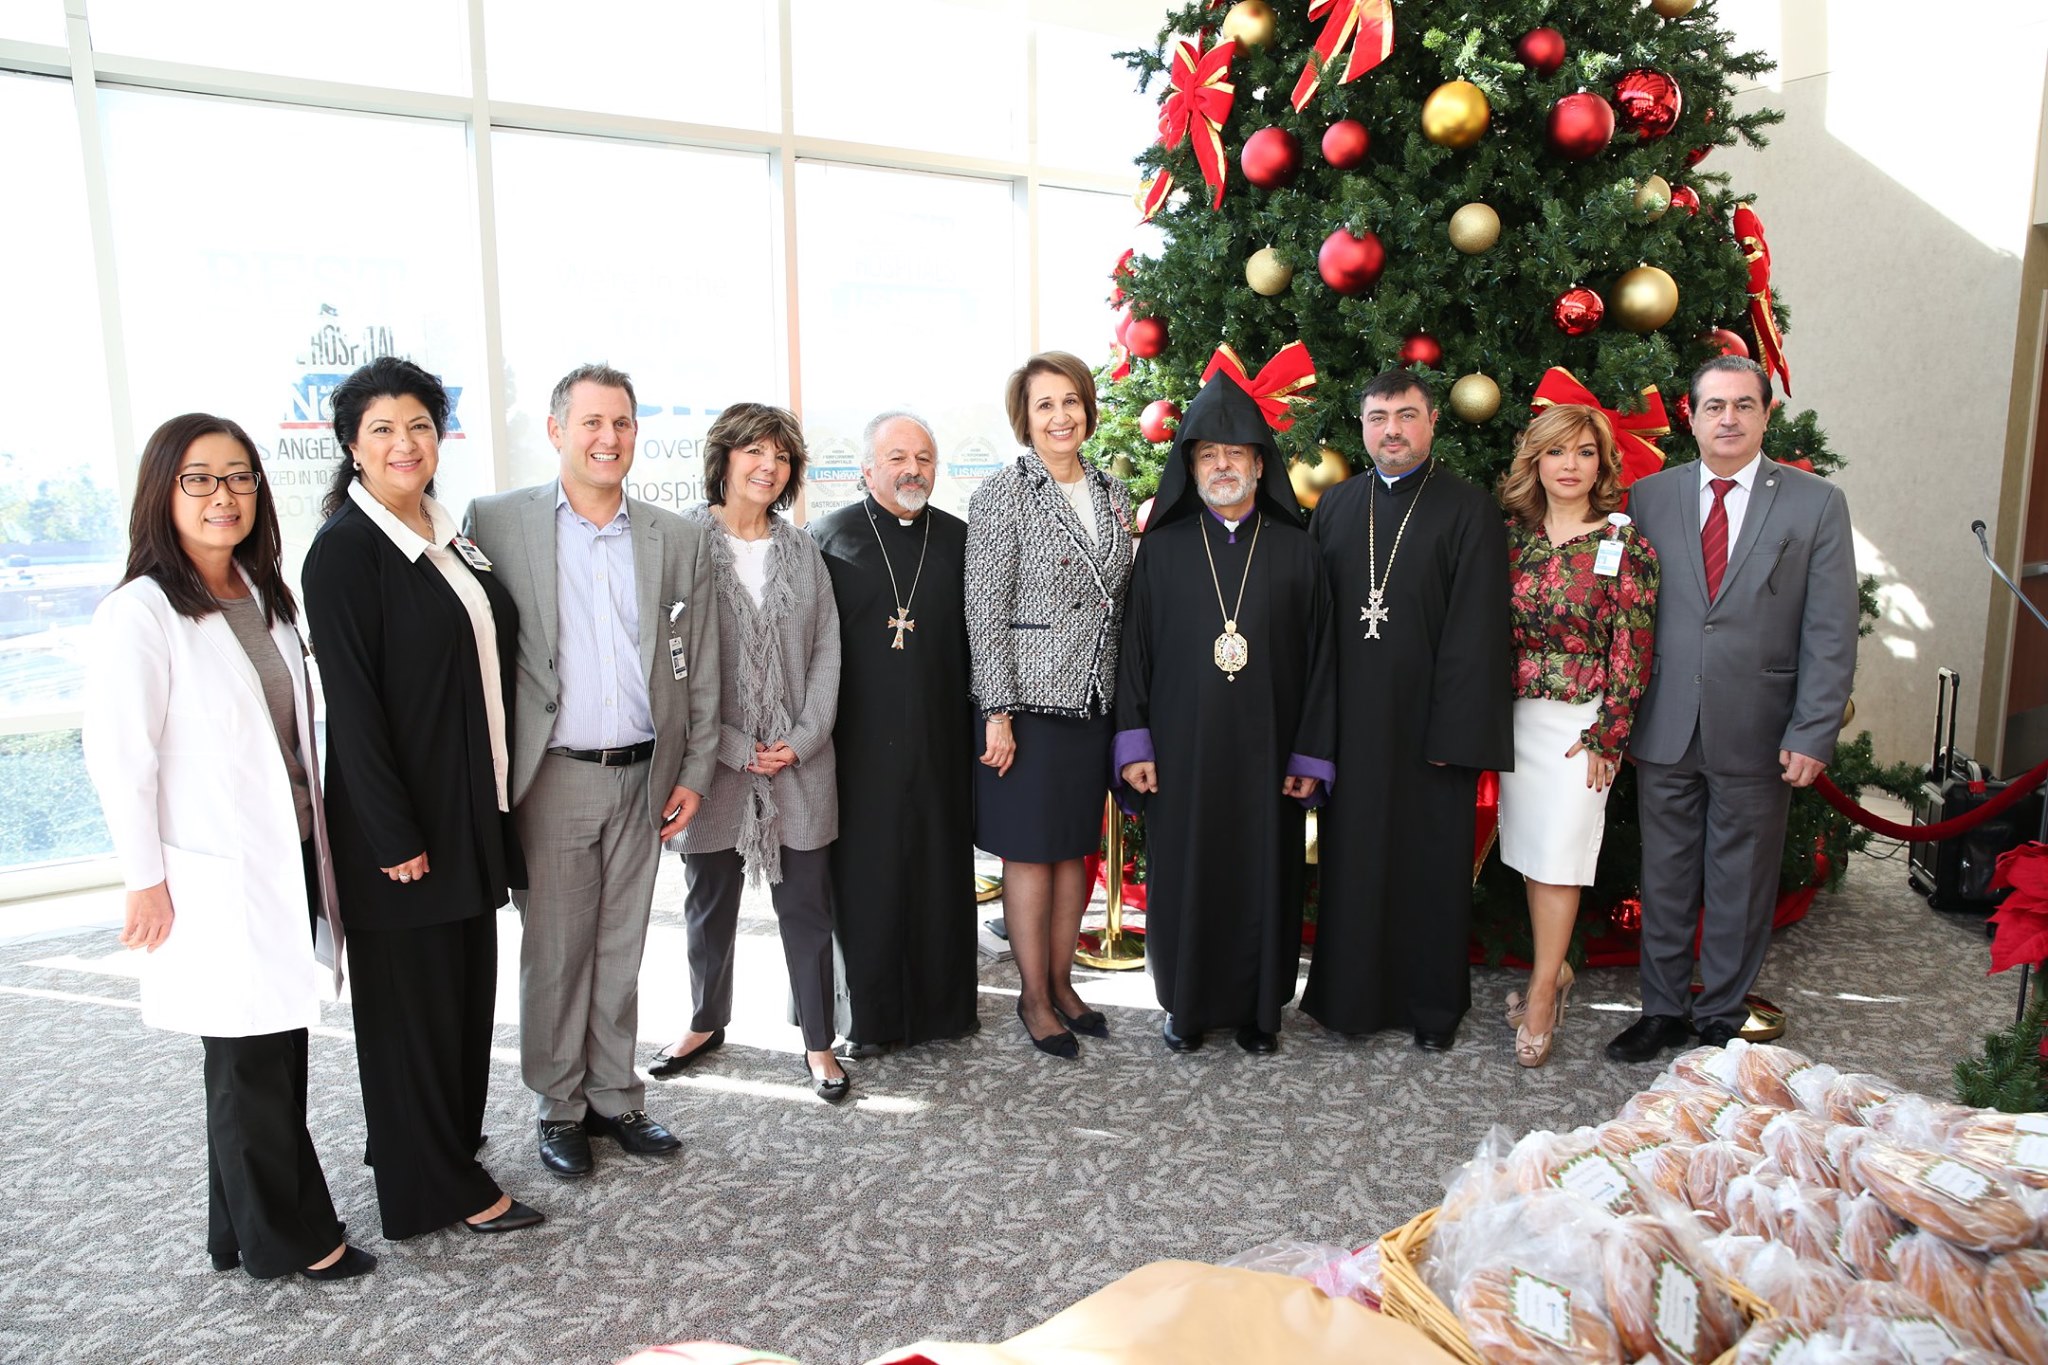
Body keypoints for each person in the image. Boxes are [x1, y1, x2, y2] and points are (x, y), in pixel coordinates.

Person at [82, 413, 372, 1282]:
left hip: (288, 851)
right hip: (213, 868)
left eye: (240, 476)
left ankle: (236, 1227)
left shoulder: (261, 594)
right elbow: (121, 757)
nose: (224, 495)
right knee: (248, 1056)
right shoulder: (141, 612)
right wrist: (144, 878)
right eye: (200, 478)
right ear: (163, 492)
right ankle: (290, 1238)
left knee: (273, 1040)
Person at [301, 356, 542, 1238]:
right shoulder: (345, 552)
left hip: (468, 806)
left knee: (458, 997)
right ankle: (433, 1186)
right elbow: (354, 711)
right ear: (351, 446)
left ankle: (434, 1146)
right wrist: (392, 832)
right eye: (382, 429)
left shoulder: (446, 532)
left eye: (419, 426)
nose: (405, 443)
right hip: (401, 825)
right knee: (411, 1010)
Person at [463, 364, 719, 1179]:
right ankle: (559, 1104)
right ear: (556, 431)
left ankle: (615, 1093)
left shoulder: (674, 537)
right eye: (592, 423)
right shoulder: (496, 522)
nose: (609, 438)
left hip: (647, 773)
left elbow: (699, 662)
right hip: (553, 775)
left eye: (623, 423)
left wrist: (695, 767)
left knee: (621, 943)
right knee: (557, 949)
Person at [1607, 356, 1858, 1061]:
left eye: (1744, 405)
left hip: (1759, 724)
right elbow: (1626, 614)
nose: (1729, 419)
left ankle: (1720, 1011)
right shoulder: (1648, 497)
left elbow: (1831, 629)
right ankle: (1662, 1009)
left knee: (1741, 877)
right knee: (1664, 874)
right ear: (1690, 416)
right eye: (1714, 406)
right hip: (1665, 720)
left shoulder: (1816, 503)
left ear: (1766, 414)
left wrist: (1813, 729)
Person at [1111, 369, 1336, 1055]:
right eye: (1207, 455)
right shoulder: (1162, 551)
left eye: (1235, 453)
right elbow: (1133, 653)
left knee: (1264, 875)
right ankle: (1185, 1005)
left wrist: (1309, 753)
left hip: (1270, 755)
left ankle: (1258, 1012)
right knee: (1187, 874)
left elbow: (1324, 661)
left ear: (1260, 464)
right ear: (1191, 467)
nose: (1221, 466)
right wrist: (1134, 744)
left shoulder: (1298, 550)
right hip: (1182, 753)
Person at [1299, 370, 1512, 1052]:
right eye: (1378, 417)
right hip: (1350, 725)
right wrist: (1313, 733)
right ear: (1362, 426)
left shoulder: (1468, 508)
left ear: (1432, 422)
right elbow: (1312, 627)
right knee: (1353, 863)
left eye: (1406, 415)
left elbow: (1478, 630)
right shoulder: (1336, 506)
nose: (1392, 430)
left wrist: (1457, 734)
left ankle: (1431, 1007)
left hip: (1431, 731)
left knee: (1429, 867)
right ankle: (1350, 1001)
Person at [656, 404, 849, 1101]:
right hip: (711, 763)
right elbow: (670, 662)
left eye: (782, 456)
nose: (769, 466)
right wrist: (734, 746)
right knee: (709, 902)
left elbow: (827, 649)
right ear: (725, 458)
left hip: (800, 761)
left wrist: (801, 739)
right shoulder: (682, 545)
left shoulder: (803, 550)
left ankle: (819, 1042)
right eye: (754, 451)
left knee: (808, 906)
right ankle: (705, 1021)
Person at [965, 351, 1136, 1059]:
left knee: (1075, 851)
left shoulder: (1113, 491)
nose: (1060, 416)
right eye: (1045, 404)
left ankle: (1063, 984)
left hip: (1094, 698)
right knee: (1032, 855)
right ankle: (1033, 997)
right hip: (1028, 706)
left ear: (1088, 409)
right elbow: (984, 609)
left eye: (1071, 401)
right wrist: (997, 711)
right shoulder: (1002, 493)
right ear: (1025, 418)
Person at [810, 410, 979, 1057]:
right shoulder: (827, 539)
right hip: (856, 748)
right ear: (866, 469)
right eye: (898, 458)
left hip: (940, 741)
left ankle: (943, 1010)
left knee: (938, 871)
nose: (913, 470)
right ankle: (870, 1018)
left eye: (924, 459)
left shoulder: (960, 540)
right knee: (868, 879)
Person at [1495, 404, 1658, 1068]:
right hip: (1518, 719)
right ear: (1535, 460)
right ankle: (1554, 968)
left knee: (1562, 852)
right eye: (1557, 452)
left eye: (1585, 452)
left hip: (1583, 724)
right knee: (1536, 853)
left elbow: (1633, 645)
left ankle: (1541, 994)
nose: (1570, 465)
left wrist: (1608, 734)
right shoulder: (1512, 540)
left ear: (1602, 464)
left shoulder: (1625, 544)